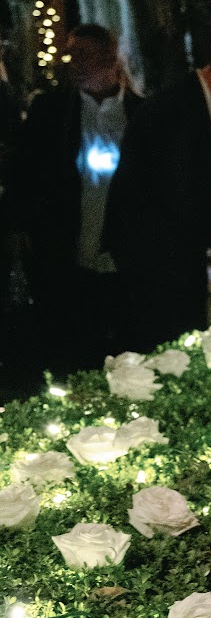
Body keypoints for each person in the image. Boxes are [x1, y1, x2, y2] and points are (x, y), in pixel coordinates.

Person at [105, 42, 211, 348]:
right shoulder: (179, 108)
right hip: (156, 247)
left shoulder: (188, 100)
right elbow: (178, 188)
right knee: (171, 335)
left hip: (163, 241)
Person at [14, 23, 142, 369]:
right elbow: (26, 172)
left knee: (126, 346)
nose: (74, 64)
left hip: (123, 255)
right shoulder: (51, 111)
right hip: (66, 249)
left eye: (84, 55)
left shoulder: (140, 114)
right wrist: (28, 227)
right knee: (71, 345)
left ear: (110, 59)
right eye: (71, 55)